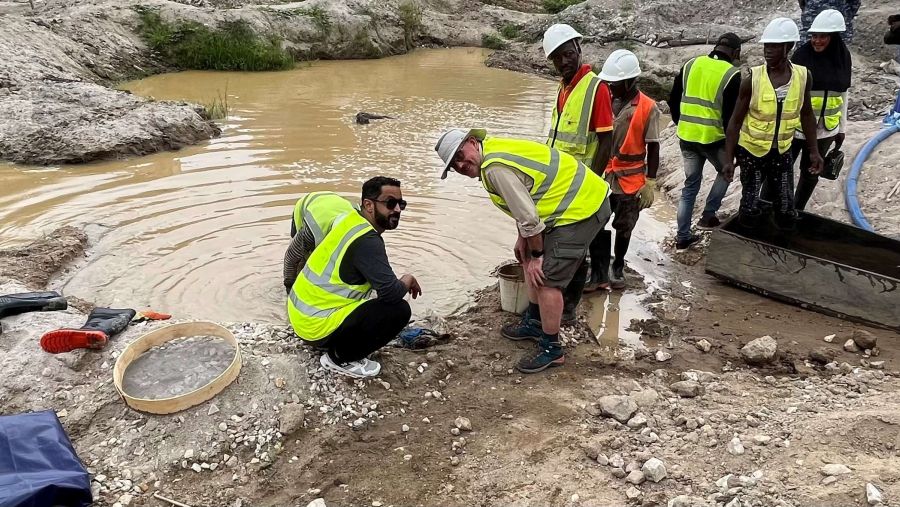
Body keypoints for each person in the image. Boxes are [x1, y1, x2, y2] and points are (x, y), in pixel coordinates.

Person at [435, 129, 611, 373]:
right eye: (455, 164)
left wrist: (538, 256)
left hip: (583, 206)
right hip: (569, 200)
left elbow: (529, 218)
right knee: (526, 256)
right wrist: (523, 242)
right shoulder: (492, 154)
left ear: (473, 143)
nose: (462, 164)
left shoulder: (494, 169)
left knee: (548, 279)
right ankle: (535, 320)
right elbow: (527, 197)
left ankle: (552, 349)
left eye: (461, 155)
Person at [287, 177, 422, 378]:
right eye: (390, 203)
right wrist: (408, 279)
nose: (397, 210)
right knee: (399, 310)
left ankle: (340, 343)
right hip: (314, 326)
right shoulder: (368, 241)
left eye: (401, 204)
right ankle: (339, 358)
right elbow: (390, 294)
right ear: (368, 205)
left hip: (301, 317)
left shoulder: (350, 221)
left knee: (379, 302)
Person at [723, 18, 823, 228]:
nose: (768, 50)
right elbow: (735, 121)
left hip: (783, 150)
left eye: (775, 46)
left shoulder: (803, 76)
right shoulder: (752, 78)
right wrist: (728, 158)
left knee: (786, 205)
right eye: (766, 45)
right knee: (749, 204)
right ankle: (743, 242)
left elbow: (806, 114)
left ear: (788, 47)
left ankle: (781, 244)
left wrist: (813, 150)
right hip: (752, 152)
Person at [542, 24, 616, 300]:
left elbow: (605, 141)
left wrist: (592, 183)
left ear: (578, 49)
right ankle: (593, 279)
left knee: (575, 242)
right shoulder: (564, 88)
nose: (563, 62)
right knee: (579, 238)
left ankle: (573, 298)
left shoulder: (595, 88)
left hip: (583, 182)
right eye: (557, 58)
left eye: (568, 54)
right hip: (563, 181)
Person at [595, 49, 661, 289]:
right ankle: (599, 268)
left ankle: (618, 265)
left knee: (624, 227)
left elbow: (653, 147)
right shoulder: (608, 100)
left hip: (631, 180)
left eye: (615, 83)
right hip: (604, 174)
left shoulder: (648, 108)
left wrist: (650, 182)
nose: (610, 87)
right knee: (597, 221)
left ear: (631, 80)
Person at [669, 33, 743, 249]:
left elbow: (674, 98)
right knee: (725, 171)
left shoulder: (691, 64)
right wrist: (733, 151)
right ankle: (708, 215)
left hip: (687, 136)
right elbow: (732, 118)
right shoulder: (731, 75)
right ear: (736, 53)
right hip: (713, 139)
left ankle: (682, 237)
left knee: (690, 185)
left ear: (716, 47)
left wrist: (681, 122)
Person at [789, 9, 852, 210]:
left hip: (826, 130)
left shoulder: (842, 59)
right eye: (814, 36)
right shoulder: (801, 57)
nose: (817, 41)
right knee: (780, 171)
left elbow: (843, 95)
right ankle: (770, 207)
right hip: (796, 129)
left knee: (810, 174)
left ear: (833, 38)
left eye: (822, 36)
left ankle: (797, 210)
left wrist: (841, 129)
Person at [283, 191, 357, 292]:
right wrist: (289, 287)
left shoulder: (359, 228)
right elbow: (291, 258)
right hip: (309, 206)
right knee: (302, 261)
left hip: (336, 206)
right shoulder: (311, 231)